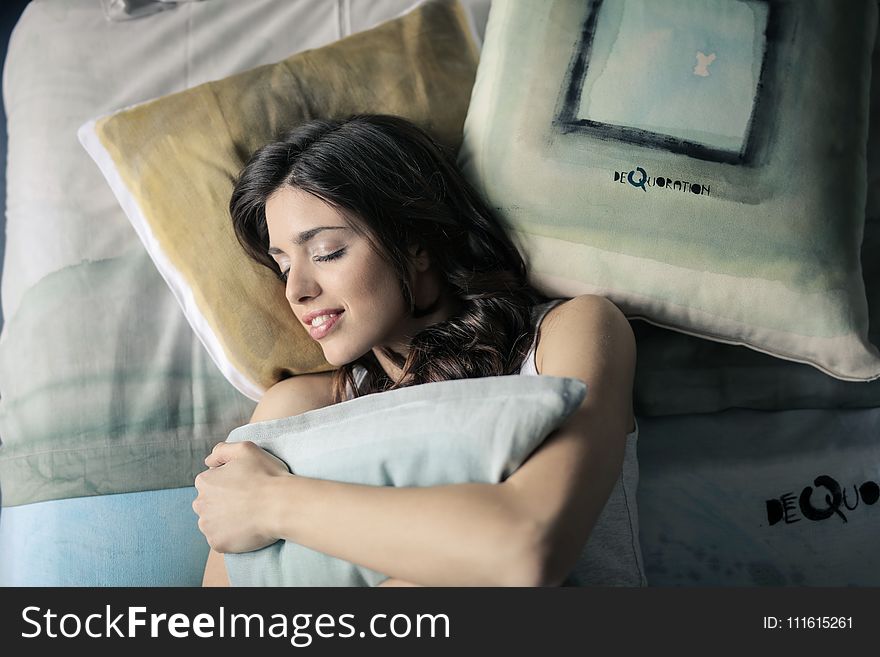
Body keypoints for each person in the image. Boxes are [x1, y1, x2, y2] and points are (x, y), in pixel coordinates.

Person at [192, 114, 640, 587]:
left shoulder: (568, 335)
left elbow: (526, 549)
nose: (296, 290)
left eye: (325, 252)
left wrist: (269, 502)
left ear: (414, 243)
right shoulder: (300, 408)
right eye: (283, 267)